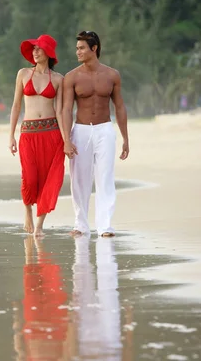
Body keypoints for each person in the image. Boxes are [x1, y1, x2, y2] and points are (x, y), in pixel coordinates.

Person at [62, 31, 129, 237]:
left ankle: (105, 225)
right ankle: (80, 224)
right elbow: (65, 109)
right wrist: (66, 140)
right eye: (77, 48)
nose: (78, 52)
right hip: (80, 130)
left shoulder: (111, 75)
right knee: (79, 179)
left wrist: (126, 138)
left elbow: (119, 107)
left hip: (105, 129)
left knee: (105, 177)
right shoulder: (72, 77)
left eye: (82, 48)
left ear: (94, 48)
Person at [9, 34, 66, 236]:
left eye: (39, 49)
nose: (35, 52)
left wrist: (66, 141)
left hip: (52, 134)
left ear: (48, 52)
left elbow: (60, 111)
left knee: (50, 180)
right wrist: (11, 136)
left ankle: (39, 225)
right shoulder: (23, 74)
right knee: (30, 178)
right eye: (33, 49)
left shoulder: (59, 79)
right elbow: (16, 106)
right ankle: (27, 212)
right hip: (29, 134)